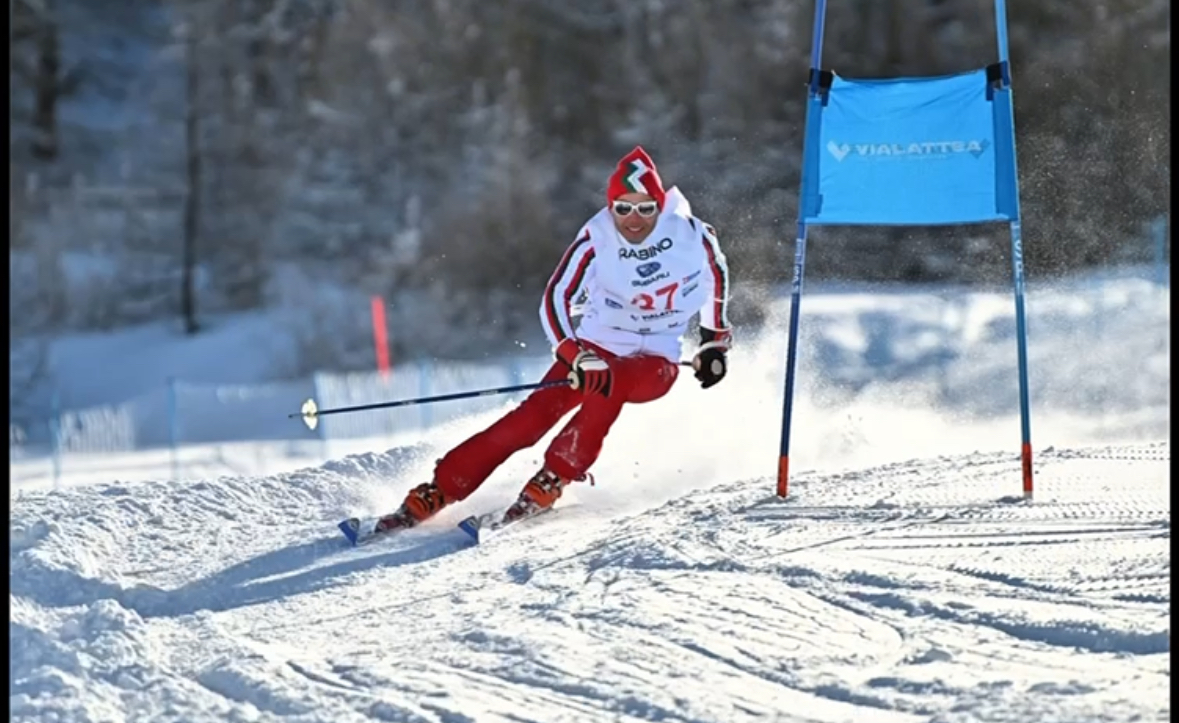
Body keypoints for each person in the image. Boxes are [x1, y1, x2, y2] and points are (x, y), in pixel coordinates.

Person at [379, 145, 733, 531]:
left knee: (608, 385)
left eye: (646, 208)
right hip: (594, 349)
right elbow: (555, 297)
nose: (634, 219)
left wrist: (714, 340)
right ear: (611, 205)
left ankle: (555, 476)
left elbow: (716, 274)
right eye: (623, 207)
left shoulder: (691, 234)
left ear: (660, 205)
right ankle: (441, 488)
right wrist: (575, 353)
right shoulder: (595, 237)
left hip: (655, 360)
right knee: (529, 419)